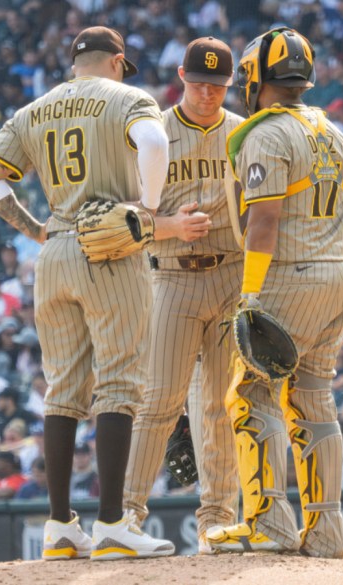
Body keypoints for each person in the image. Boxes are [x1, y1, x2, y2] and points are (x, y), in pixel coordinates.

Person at [0, 26, 175, 560]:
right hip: (111, 248)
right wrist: (148, 210)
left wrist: (35, 227)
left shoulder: (33, 110)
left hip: (55, 248)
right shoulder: (129, 97)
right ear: (117, 61)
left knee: (61, 390)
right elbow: (153, 141)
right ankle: (111, 524)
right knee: (118, 385)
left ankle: (60, 525)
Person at [206, 27, 343, 559]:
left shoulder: (265, 135)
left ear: (255, 78)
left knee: (251, 394)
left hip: (285, 279)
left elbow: (264, 220)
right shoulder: (339, 136)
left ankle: (268, 522)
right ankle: (326, 532)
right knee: (315, 402)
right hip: (337, 276)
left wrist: (249, 296)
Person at [123, 36, 243, 556]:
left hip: (231, 275)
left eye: (217, 86)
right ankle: (125, 514)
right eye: (199, 84)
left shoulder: (242, 133)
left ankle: (217, 521)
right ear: (180, 76)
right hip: (170, 274)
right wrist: (170, 226)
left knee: (220, 404)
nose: (208, 94)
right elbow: (122, 216)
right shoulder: (154, 134)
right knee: (159, 402)